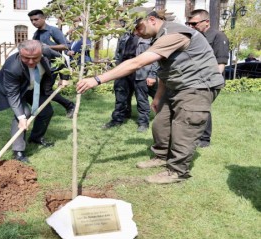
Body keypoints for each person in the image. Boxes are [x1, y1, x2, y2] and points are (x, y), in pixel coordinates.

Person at [76, 7, 224, 184]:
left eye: (139, 28)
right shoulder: (160, 36)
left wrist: (97, 79)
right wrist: (158, 96)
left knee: (184, 127)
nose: (137, 34)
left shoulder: (174, 34)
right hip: (176, 85)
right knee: (161, 123)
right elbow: (165, 69)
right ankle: (161, 156)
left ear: (152, 20)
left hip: (197, 86)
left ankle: (177, 171)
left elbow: (137, 62)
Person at [0, 40, 62, 163]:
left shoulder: (46, 51)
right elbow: (13, 94)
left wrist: (65, 78)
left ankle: (36, 138)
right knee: (24, 114)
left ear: (41, 53)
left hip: (33, 87)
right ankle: (18, 151)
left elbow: (62, 60)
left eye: (35, 58)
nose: (31, 62)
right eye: (26, 58)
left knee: (46, 111)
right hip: (16, 91)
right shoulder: (12, 67)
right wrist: (21, 117)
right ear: (20, 54)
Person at [103, 24, 158, 132]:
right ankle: (117, 119)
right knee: (120, 97)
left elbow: (156, 57)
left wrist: (152, 74)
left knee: (141, 99)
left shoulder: (149, 36)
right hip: (124, 70)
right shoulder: (124, 35)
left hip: (141, 70)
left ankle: (143, 123)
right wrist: (117, 68)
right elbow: (118, 53)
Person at [187, 9, 229, 148]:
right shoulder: (195, 37)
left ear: (206, 22)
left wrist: (212, 83)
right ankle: (194, 134)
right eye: (189, 23)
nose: (191, 26)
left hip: (210, 80)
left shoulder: (218, 36)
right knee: (195, 107)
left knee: (203, 106)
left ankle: (204, 139)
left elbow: (221, 63)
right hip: (196, 78)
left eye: (194, 23)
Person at [28, 9, 76, 118]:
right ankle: (44, 110)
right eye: (31, 20)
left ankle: (69, 105)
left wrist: (47, 47)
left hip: (55, 65)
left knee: (46, 90)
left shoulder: (53, 30)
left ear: (43, 18)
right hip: (42, 66)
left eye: (36, 19)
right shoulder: (36, 34)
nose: (34, 22)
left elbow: (65, 46)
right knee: (40, 90)